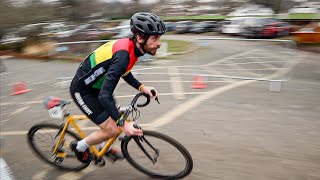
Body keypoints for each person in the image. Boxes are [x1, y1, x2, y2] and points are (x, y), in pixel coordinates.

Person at [69, 12, 166, 163]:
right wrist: (123, 124)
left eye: (159, 38)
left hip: (99, 89)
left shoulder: (132, 49)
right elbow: (104, 96)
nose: (159, 43)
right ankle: (79, 147)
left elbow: (125, 72)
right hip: (83, 91)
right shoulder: (124, 55)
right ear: (140, 38)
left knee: (119, 117)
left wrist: (142, 87)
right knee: (115, 127)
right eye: (155, 38)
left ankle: (103, 147)